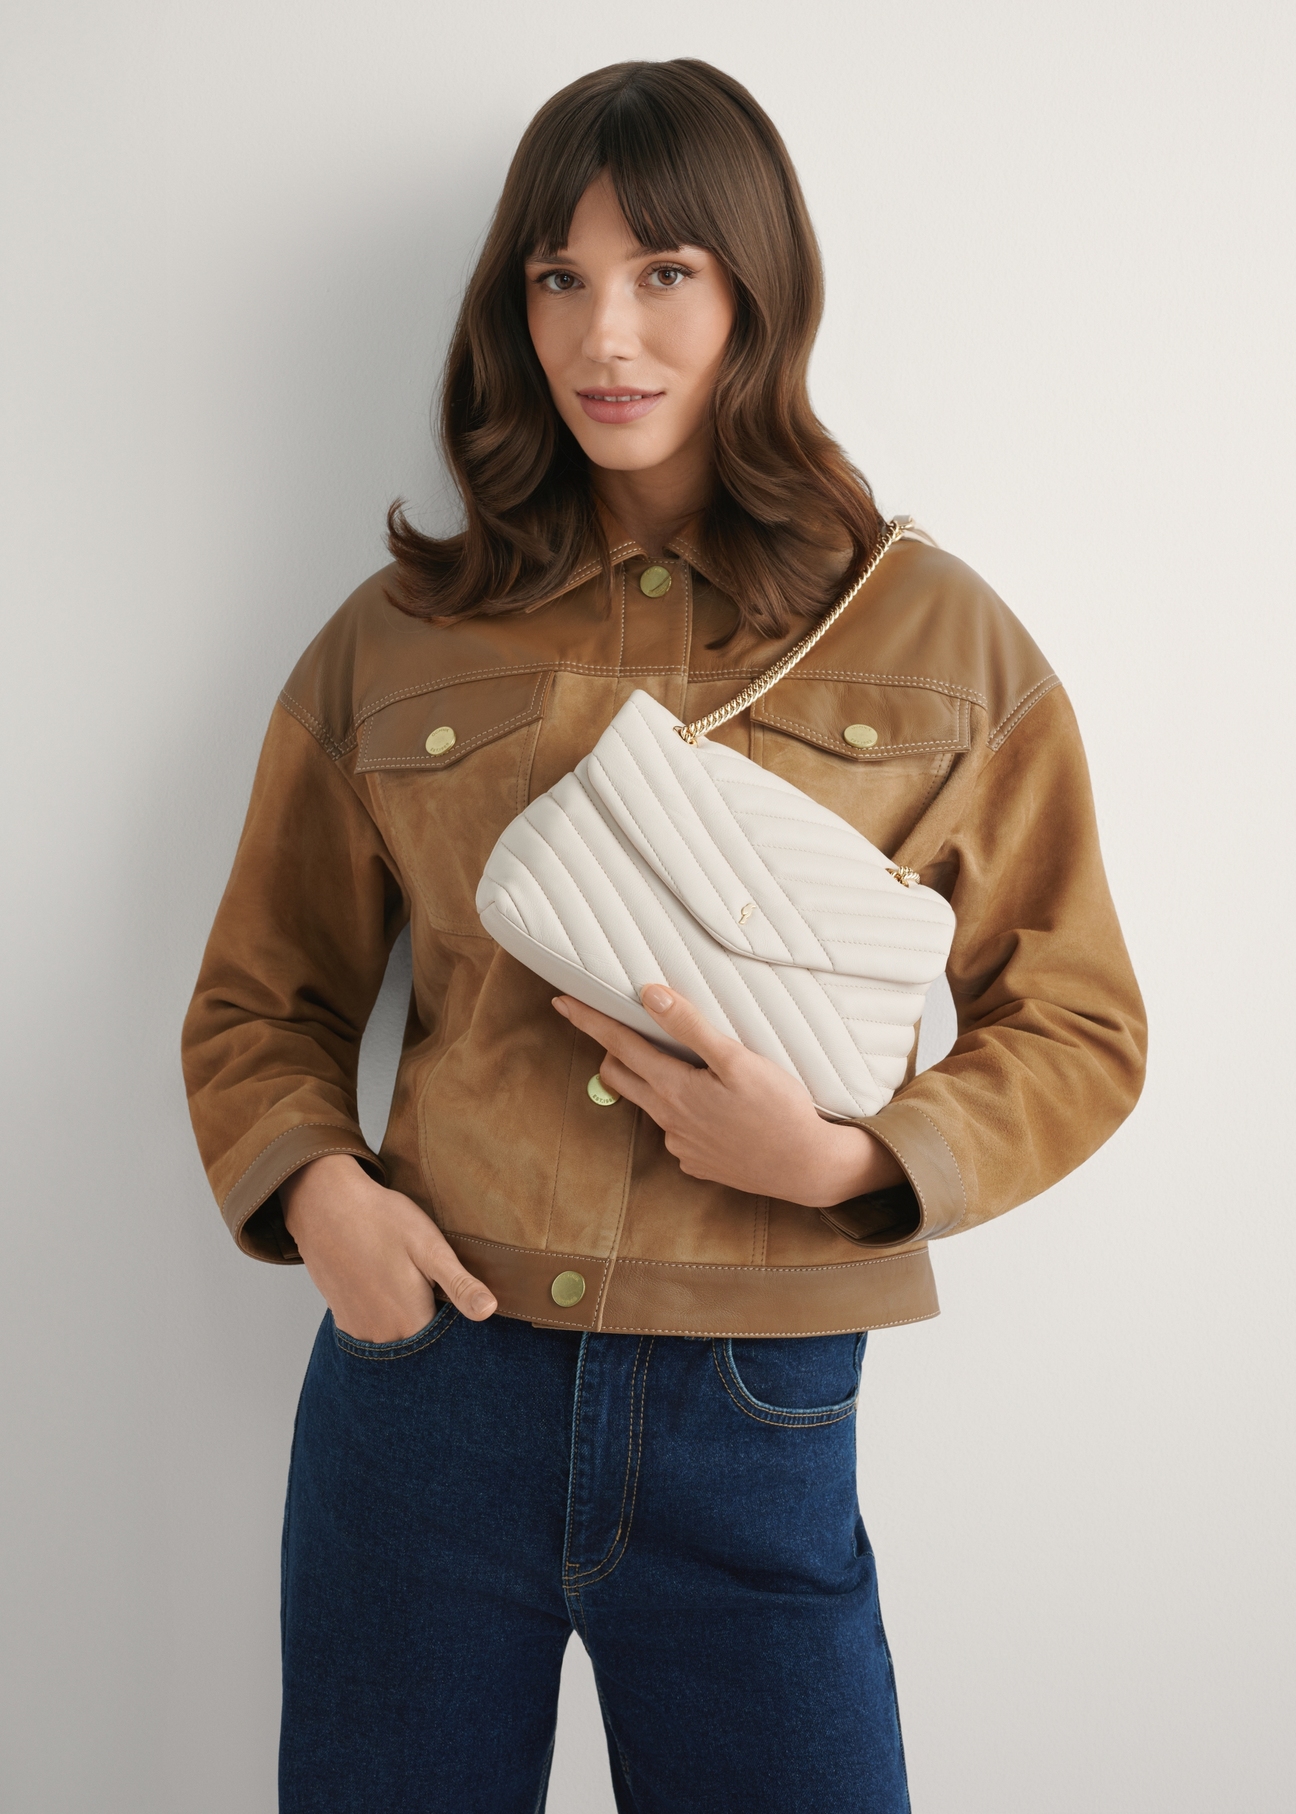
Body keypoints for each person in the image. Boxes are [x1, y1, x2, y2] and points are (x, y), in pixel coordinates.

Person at [182, 57, 1145, 1814]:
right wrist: (324, 1200)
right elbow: (263, 995)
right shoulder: (398, 637)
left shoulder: (930, 631)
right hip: (428, 1386)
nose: (603, 334)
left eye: (665, 274)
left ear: (755, 296)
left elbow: (1078, 1021)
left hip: (755, 1411)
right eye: (559, 278)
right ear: (511, 304)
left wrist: (855, 1156)